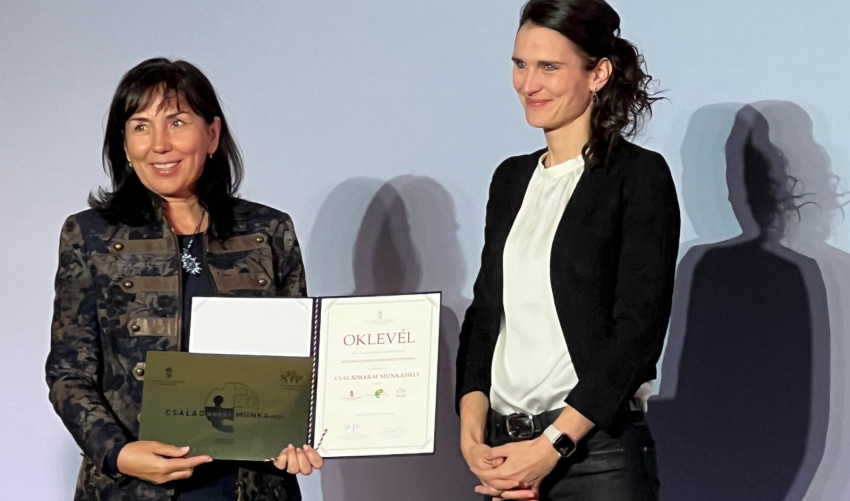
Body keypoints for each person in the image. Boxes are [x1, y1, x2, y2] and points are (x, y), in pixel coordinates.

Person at [46, 58, 321, 501]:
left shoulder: (269, 231)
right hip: (132, 487)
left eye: (177, 122)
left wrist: (300, 434)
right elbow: (68, 373)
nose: (160, 144)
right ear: (124, 143)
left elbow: (298, 365)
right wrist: (117, 453)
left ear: (212, 134)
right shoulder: (90, 235)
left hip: (250, 486)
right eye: (141, 126)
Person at [455, 0, 680, 499]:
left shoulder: (637, 175)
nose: (528, 84)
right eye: (520, 64)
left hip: (597, 456)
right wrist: (472, 438)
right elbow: (486, 314)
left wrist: (552, 445)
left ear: (598, 73)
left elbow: (638, 333)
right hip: (504, 453)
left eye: (549, 67)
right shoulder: (511, 178)